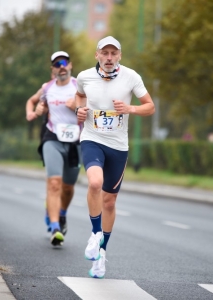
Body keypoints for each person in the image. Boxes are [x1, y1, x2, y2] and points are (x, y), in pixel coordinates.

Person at [75, 36, 155, 278]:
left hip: (118, 146)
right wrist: (79, 110)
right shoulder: (84, 76)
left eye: (113, 53)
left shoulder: (131, 77)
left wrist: (130, 109)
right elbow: (79, 96)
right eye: (105, 53)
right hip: (92, 139)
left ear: (119, 55)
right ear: (97, 55)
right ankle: (95, 233)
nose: (109, 57)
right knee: (95, 183)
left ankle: (101, 254)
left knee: (109, 202)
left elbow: (150, 106)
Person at [26, 51, 81, 247]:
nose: (61, 66)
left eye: (64, 62)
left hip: (76, 141)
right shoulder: (47, 88)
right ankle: (55, 228)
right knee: (54, 184)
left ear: (70, 65)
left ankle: (62, 214)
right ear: (53, 69)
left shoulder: (79, 86)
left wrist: (77, 107)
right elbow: (31, 101)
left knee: (68, 187)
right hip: (52, 138)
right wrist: (34, 112)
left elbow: (91, 111)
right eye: (57, 64)